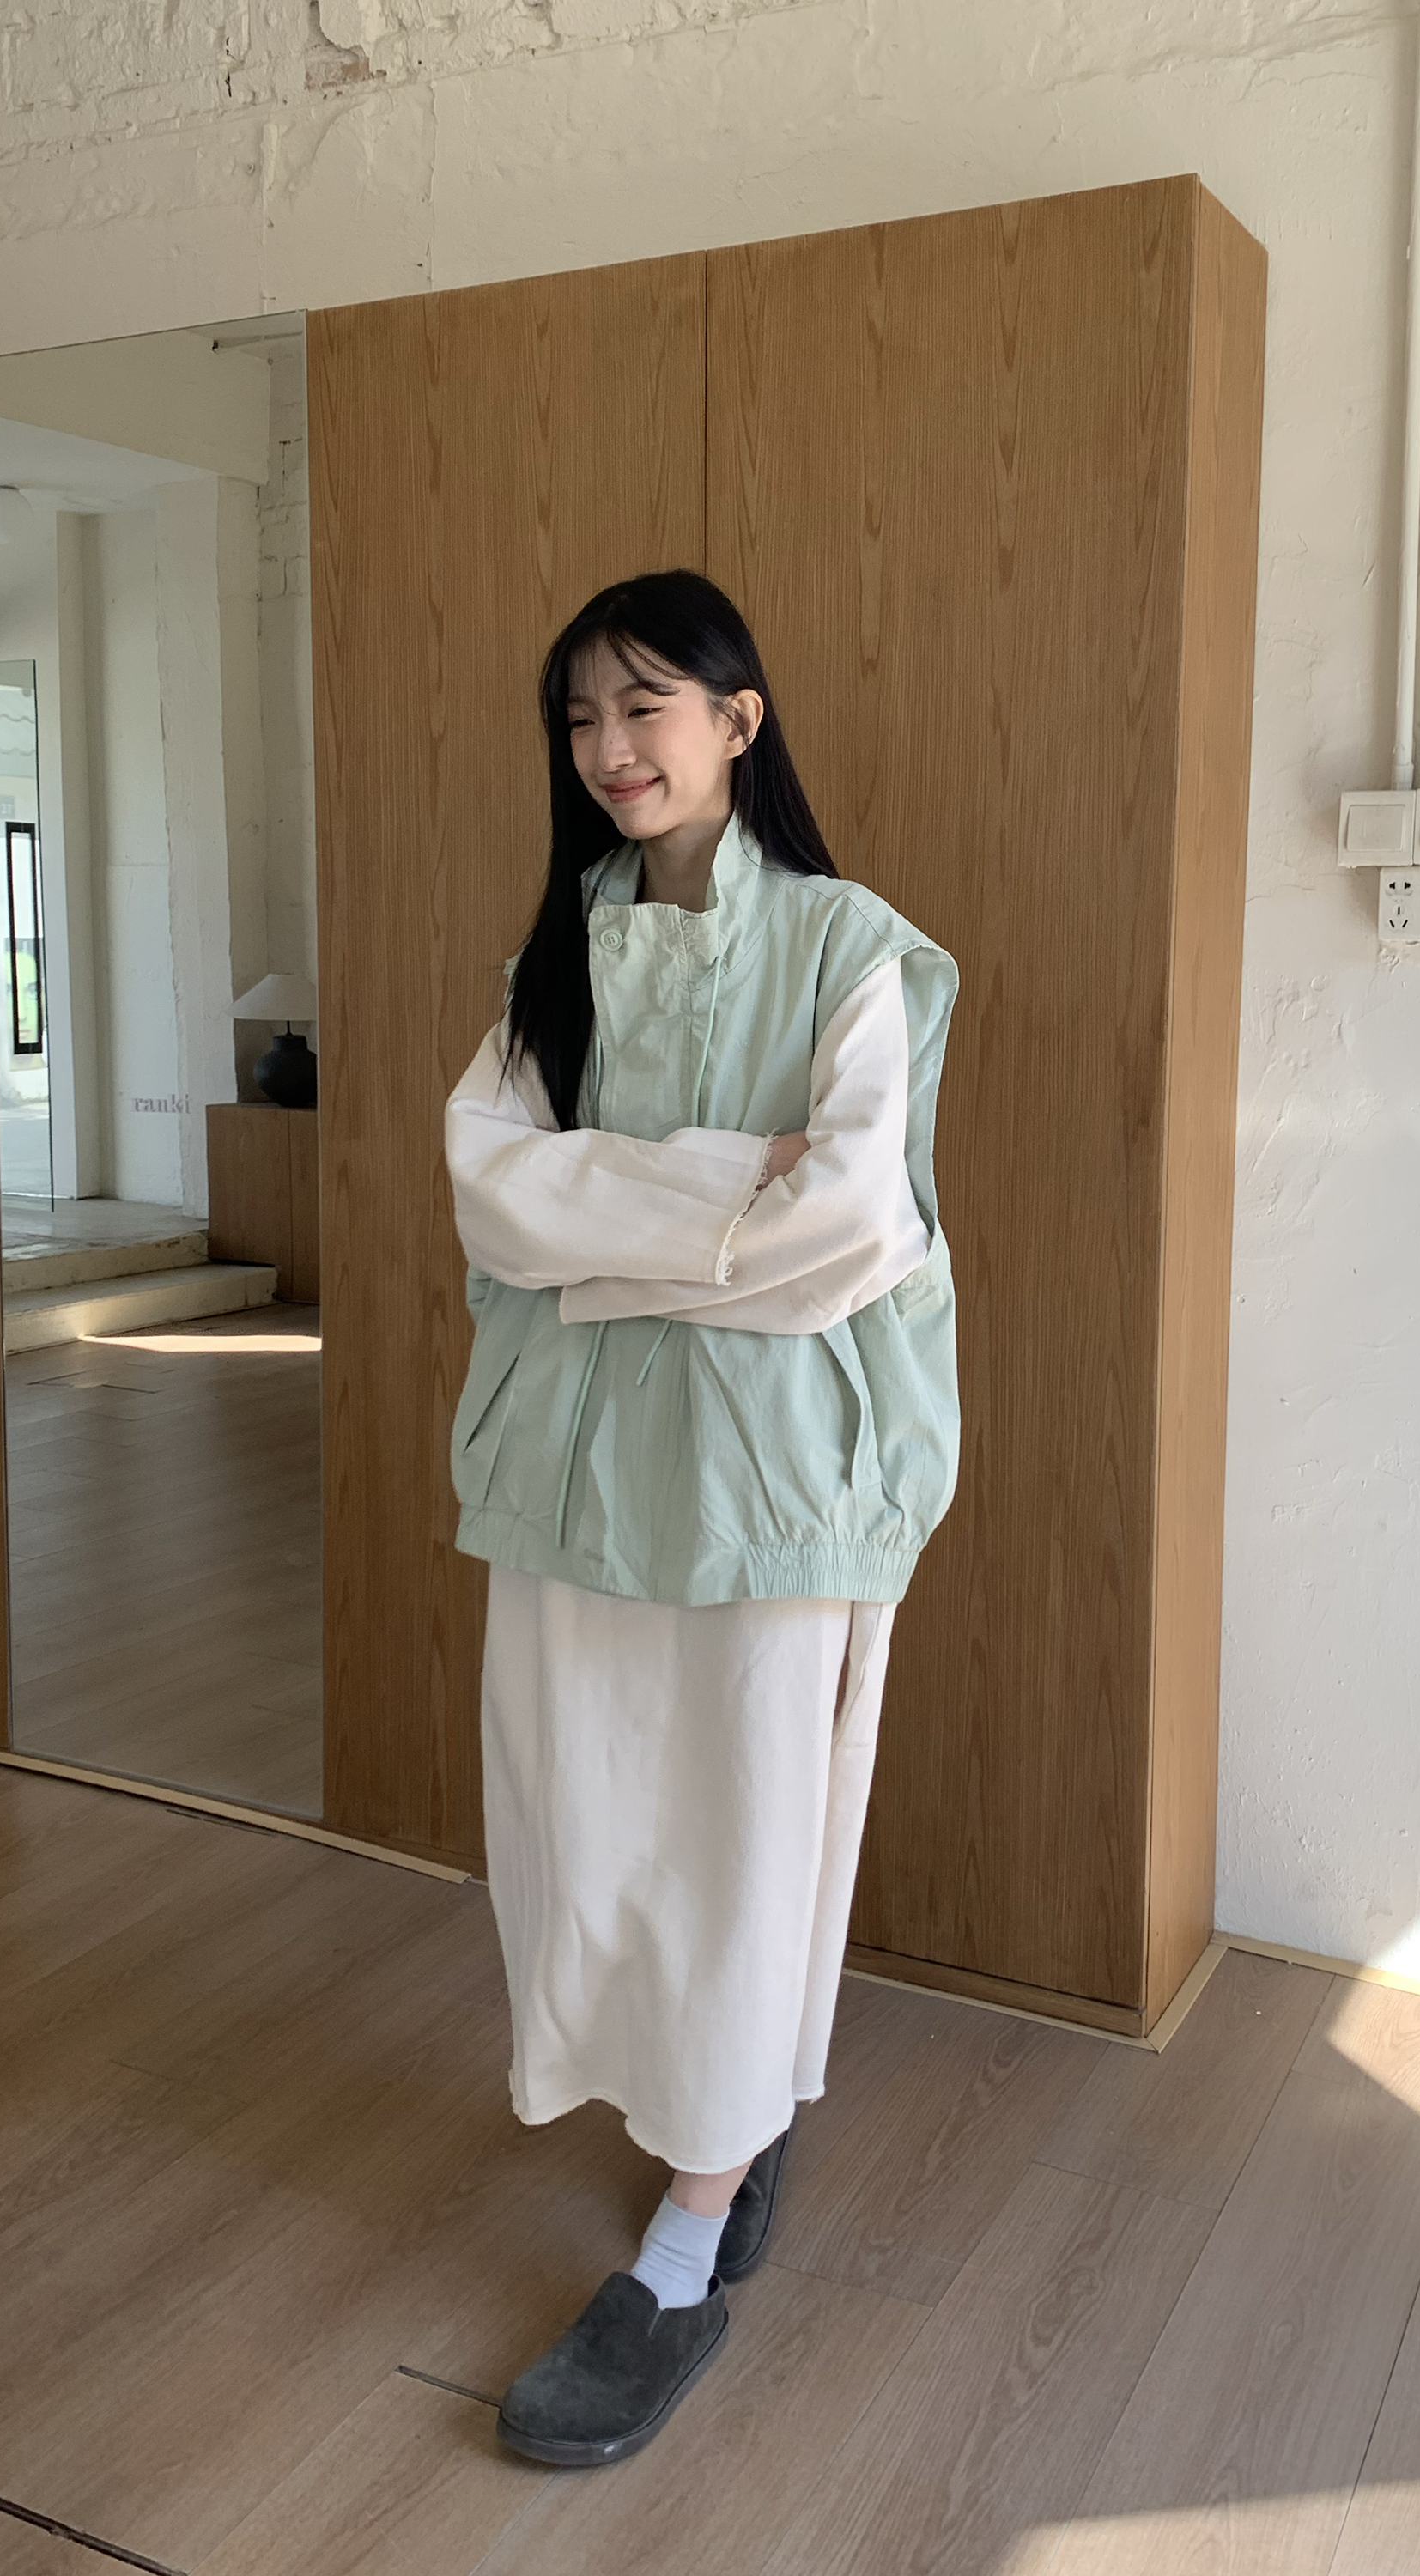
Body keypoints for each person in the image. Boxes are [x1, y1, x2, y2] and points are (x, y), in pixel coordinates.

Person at [443, 568, 959, 2467]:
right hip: (572, 1462)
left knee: (743, 1841)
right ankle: (714, 2124)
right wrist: (724, 1196)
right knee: (580, 1827)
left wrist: (605, 1222)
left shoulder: (850, 947)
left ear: (739, 720)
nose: (607, 748)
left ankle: (681, 2242)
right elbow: (491, 1196)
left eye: (643, 705)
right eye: (579, 717)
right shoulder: (556, 959)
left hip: (774, 1474)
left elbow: (852, 1226)